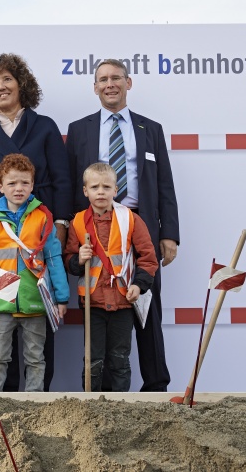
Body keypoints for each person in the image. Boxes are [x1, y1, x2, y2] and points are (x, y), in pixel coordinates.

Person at [66, 59, 179, 392]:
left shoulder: (150, 129)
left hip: (136, 224)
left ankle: (156, 384)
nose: (109, 84)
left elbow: (164, 184)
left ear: (129, 83)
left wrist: (169, 233)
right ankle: (98, 389)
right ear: (95, 87)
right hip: (96, 228)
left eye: (116, 78)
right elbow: (74, 183)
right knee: (101, 311)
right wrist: (76, 230)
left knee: (146, 307)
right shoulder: (79, 129)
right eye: (103, 79)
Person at [0, 52, 71, 392]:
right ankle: (7, 395)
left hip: (38, 231)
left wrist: (59, 223)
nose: (1, 87)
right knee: (3, 326)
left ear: (21, 84)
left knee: (37, 326)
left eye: (7, 79)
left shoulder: (44, 126)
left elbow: (61, 179)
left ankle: (38, 393)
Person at [0, 154, 68, 392]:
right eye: (12, 183)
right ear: (0, 186)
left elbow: (54, 258)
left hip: (35, 298)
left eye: (25, 182)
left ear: (33, 185)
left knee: (36, 358)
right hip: (2, 299)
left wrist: (62, 297)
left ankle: (33, 404)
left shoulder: (42, 216)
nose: (19, 188)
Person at [65, 162, 158, 391]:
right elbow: (68, 260)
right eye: (94, 187)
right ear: (85, 190)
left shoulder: (131, 219)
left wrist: (139, 285)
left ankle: (120, 407)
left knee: (119, 359)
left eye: (107, 187)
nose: (101, 192)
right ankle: (90, 406)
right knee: (92, 360)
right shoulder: (77, 222)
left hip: (123, 301)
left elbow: (148, 257)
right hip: (92, 302)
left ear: (116, 190)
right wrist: (79, 258)